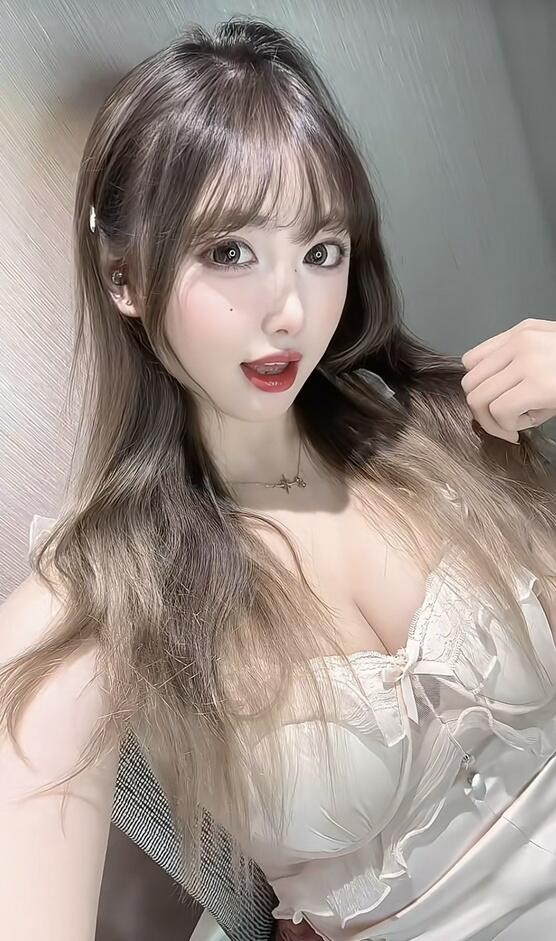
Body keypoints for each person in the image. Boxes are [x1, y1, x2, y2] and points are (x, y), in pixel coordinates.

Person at [2, 16, 556, 941]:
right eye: (229, 251)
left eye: (320, 250)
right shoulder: (106, 590)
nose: (291, 309)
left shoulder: (439, 427)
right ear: (124, 279)